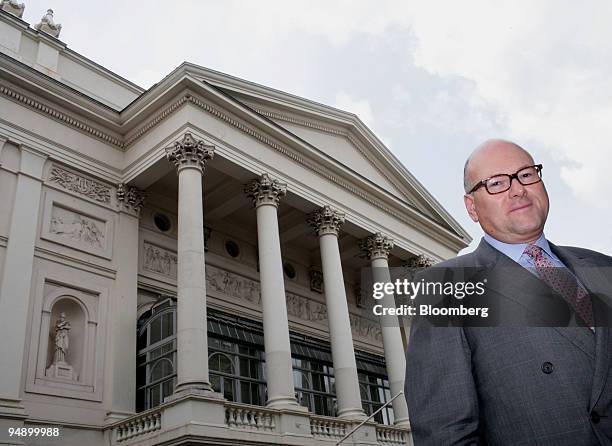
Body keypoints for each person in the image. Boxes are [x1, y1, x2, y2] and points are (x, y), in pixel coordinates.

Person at [405, 139, 612, 445]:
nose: (518, 189)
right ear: (472, 207)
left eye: (526, 174)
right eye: (496, 183)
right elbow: (446, 432)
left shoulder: (602, 266)